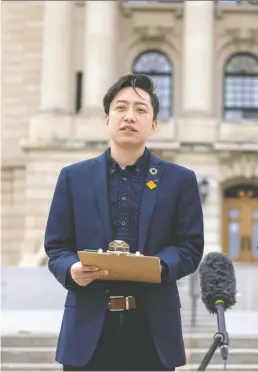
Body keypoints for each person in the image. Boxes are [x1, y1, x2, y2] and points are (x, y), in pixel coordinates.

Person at [44, 74, 204, 371]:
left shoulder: (180, 180)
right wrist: (72, 270)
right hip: (88, 330)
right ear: (107, 119)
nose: (130, 116)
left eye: (141, 110)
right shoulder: (73, 177)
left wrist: (157, 265)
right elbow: (56, 245)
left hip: (153, 328)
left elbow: (190, 247)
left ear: (154, 125)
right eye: (121, 108)